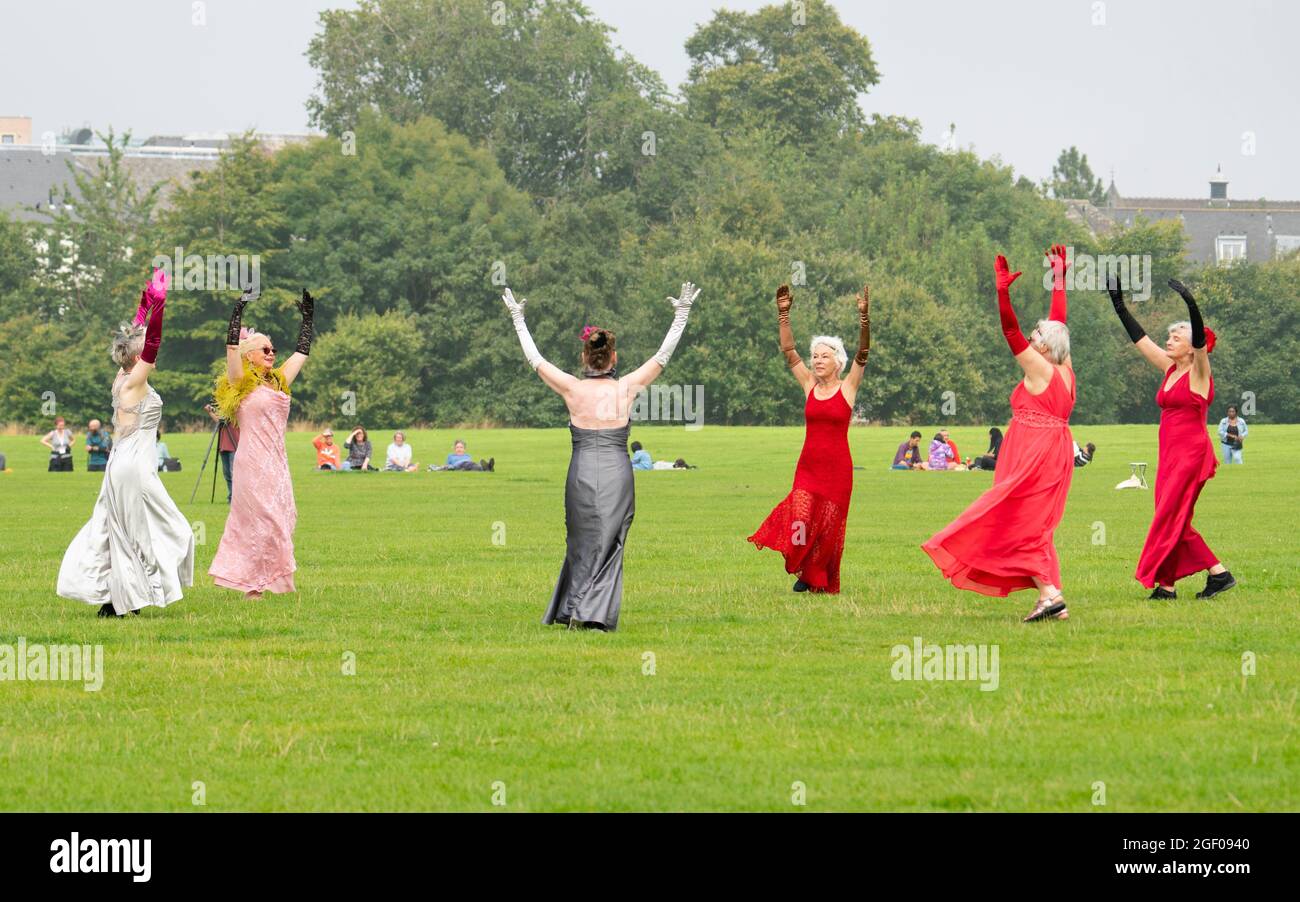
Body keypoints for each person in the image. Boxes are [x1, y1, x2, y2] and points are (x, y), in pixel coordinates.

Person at [503, 280, 699, 630]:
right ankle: (593, 614)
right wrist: (681, 314)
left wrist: (519, 319)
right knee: (611, 541)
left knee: (580, 542)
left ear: (584, 357)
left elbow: (535, 359)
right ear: (614, 357)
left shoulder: (571, 388)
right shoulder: (626, 388)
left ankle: (573, 609)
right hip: (616, 472)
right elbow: (662, 356)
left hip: (580, 472)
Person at [923, 247, 1076, 623]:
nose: (1031, 334)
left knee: (1016, 518)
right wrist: (1058, 278)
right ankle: (1050, 597)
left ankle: (1050, 594)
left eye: (1036, 333)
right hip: (1054, 451)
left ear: (1043, 347)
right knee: (1033, 522)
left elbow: (1009, 329)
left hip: (1031, 450)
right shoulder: (1065, 368)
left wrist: (1002, 292)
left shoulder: (1037, 366)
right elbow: (1059, 324)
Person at [57, 268, 194, 617]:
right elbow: (151, 341)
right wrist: (159, 307)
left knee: (116, 530)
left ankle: (114, 602)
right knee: (170, 530)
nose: (153, 355)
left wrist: (146, 302)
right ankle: (126, 599)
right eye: (145, 353)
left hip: (122, 462)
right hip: (134, 465)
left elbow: (136, 334)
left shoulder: (121, 376)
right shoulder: (135, 380)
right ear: (137, 360)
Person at [1108, 275, 1235, 600]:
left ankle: (1214, 574)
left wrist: (1190, 303)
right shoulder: (1170, 369)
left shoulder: (1198, 371)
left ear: (1191, 348)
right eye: (1170, 335)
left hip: (1191, 455)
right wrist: (1119, 305)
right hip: (1170, 454)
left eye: (1176, 337)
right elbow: (1141, 341)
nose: (1169, 340)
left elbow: (1200, 346)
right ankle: (1170, 585)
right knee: (1171, 517)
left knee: (1170, 516)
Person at [748, 283, 871, 594]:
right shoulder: (808, 385)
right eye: (814, 356)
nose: (816, 361)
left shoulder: (848, 388)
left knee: (828, 529)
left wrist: (864, 319)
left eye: (823, 357)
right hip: (808, 468)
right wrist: (784, 314)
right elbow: (789, 351)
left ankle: (813, 577)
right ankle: (803, 564)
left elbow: (863, 354)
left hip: (838, 470)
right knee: (801, 519)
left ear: (837, 362)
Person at [208, 287, 316, 599]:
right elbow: (231, 348)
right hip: (252, 462)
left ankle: (274, 580)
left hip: (277, 462)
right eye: (265, 349)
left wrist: (308, 321)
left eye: (272, 349)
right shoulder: (240, 381)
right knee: (257, 520)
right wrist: (238, 309)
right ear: (250, 356)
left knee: (284, 517)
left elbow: (302, 355)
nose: (271, 353)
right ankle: (251, 586)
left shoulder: (280, 380)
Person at [205, 403, 239, 502]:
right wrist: (210, 412)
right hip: (224, 444)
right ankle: (231, 496)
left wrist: (213, 410)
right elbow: (221, 422)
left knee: (234, 473)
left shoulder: (236, 407)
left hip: (235, 443)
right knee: (227, 473)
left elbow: (225, 419)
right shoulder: (224, 408)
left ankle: (235, 497)